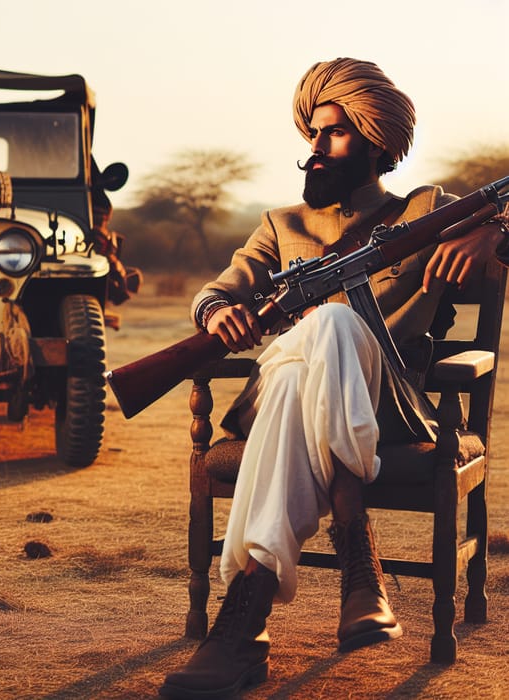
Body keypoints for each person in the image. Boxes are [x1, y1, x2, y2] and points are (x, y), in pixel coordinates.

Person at [159, 57, 507, 700]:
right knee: (317, 341)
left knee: (331, 328)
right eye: (312, 134)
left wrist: (496, 233)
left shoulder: (428, 211)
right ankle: (356, 550)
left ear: (376, 142)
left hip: (391, 403)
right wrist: (221, 311)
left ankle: (242, 625)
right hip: (287, 395)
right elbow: (215, 292)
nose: (313, 149)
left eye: (334, 134)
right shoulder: (279, 226)